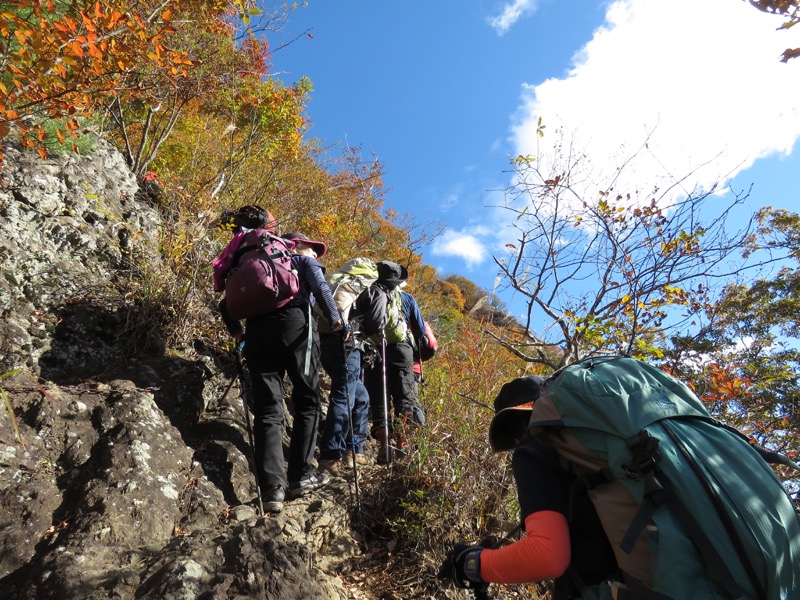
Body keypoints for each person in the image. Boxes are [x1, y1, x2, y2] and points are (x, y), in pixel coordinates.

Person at [437, 375, 617, 597]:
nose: (515, 442)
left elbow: (547, 556)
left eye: (512, 431)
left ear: (515, 425)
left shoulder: (534, 449)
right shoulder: (601, 445)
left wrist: (473, 564)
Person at [215, 217, 344, 513]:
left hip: (258, 332)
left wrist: (240, 335)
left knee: (267, 410)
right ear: (295, 244)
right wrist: (338, 322)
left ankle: (272, 489)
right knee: (308, 401)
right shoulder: (301, 261)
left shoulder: (253, 262)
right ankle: (301, 476)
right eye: (312, 248)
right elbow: (322, 290)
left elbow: (226, 304)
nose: (315, 254)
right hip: (297, 327)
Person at [316, 267, 386, 475]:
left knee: (361, 398)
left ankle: (354, 450)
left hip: (325, 346)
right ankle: (330, 455)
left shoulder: (340, 283)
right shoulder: (375, 292)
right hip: (349, 345)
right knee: (343, 397)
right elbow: (374, 325)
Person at [362, 262, 425, 463]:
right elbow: (420, 330)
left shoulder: (369, 292)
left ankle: (383, 446)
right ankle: (402, 444)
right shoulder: (407, 298)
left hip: (374, 349)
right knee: (404, 396)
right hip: (401, 349)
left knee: (378, 397)